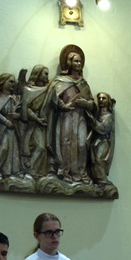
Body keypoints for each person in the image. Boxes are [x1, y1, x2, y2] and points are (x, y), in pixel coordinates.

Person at [48, 45, 94, 183]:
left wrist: (86, 104)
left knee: (81, 143)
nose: (78, 64)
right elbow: (52, 98)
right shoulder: (60, 81)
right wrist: (64, 106)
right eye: (75, 61)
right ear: (69, 63)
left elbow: (92, 103)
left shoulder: (83, 83)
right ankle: (65, 171)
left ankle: (80, 172)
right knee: (66, 143)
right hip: (66, 116)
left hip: (80, 117)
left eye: (80, 61)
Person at [86, 92, 116, 185]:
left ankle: (102, 181)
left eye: (104, 98)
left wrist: (93, 121)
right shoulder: (97, 114)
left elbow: (103, 129)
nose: (101, 100)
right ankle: (97, 180)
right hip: (95, 141)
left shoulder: (109, 116)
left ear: (108, 101)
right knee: (93, 160)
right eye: (99, 98)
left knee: (99, 160)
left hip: (103, 142)